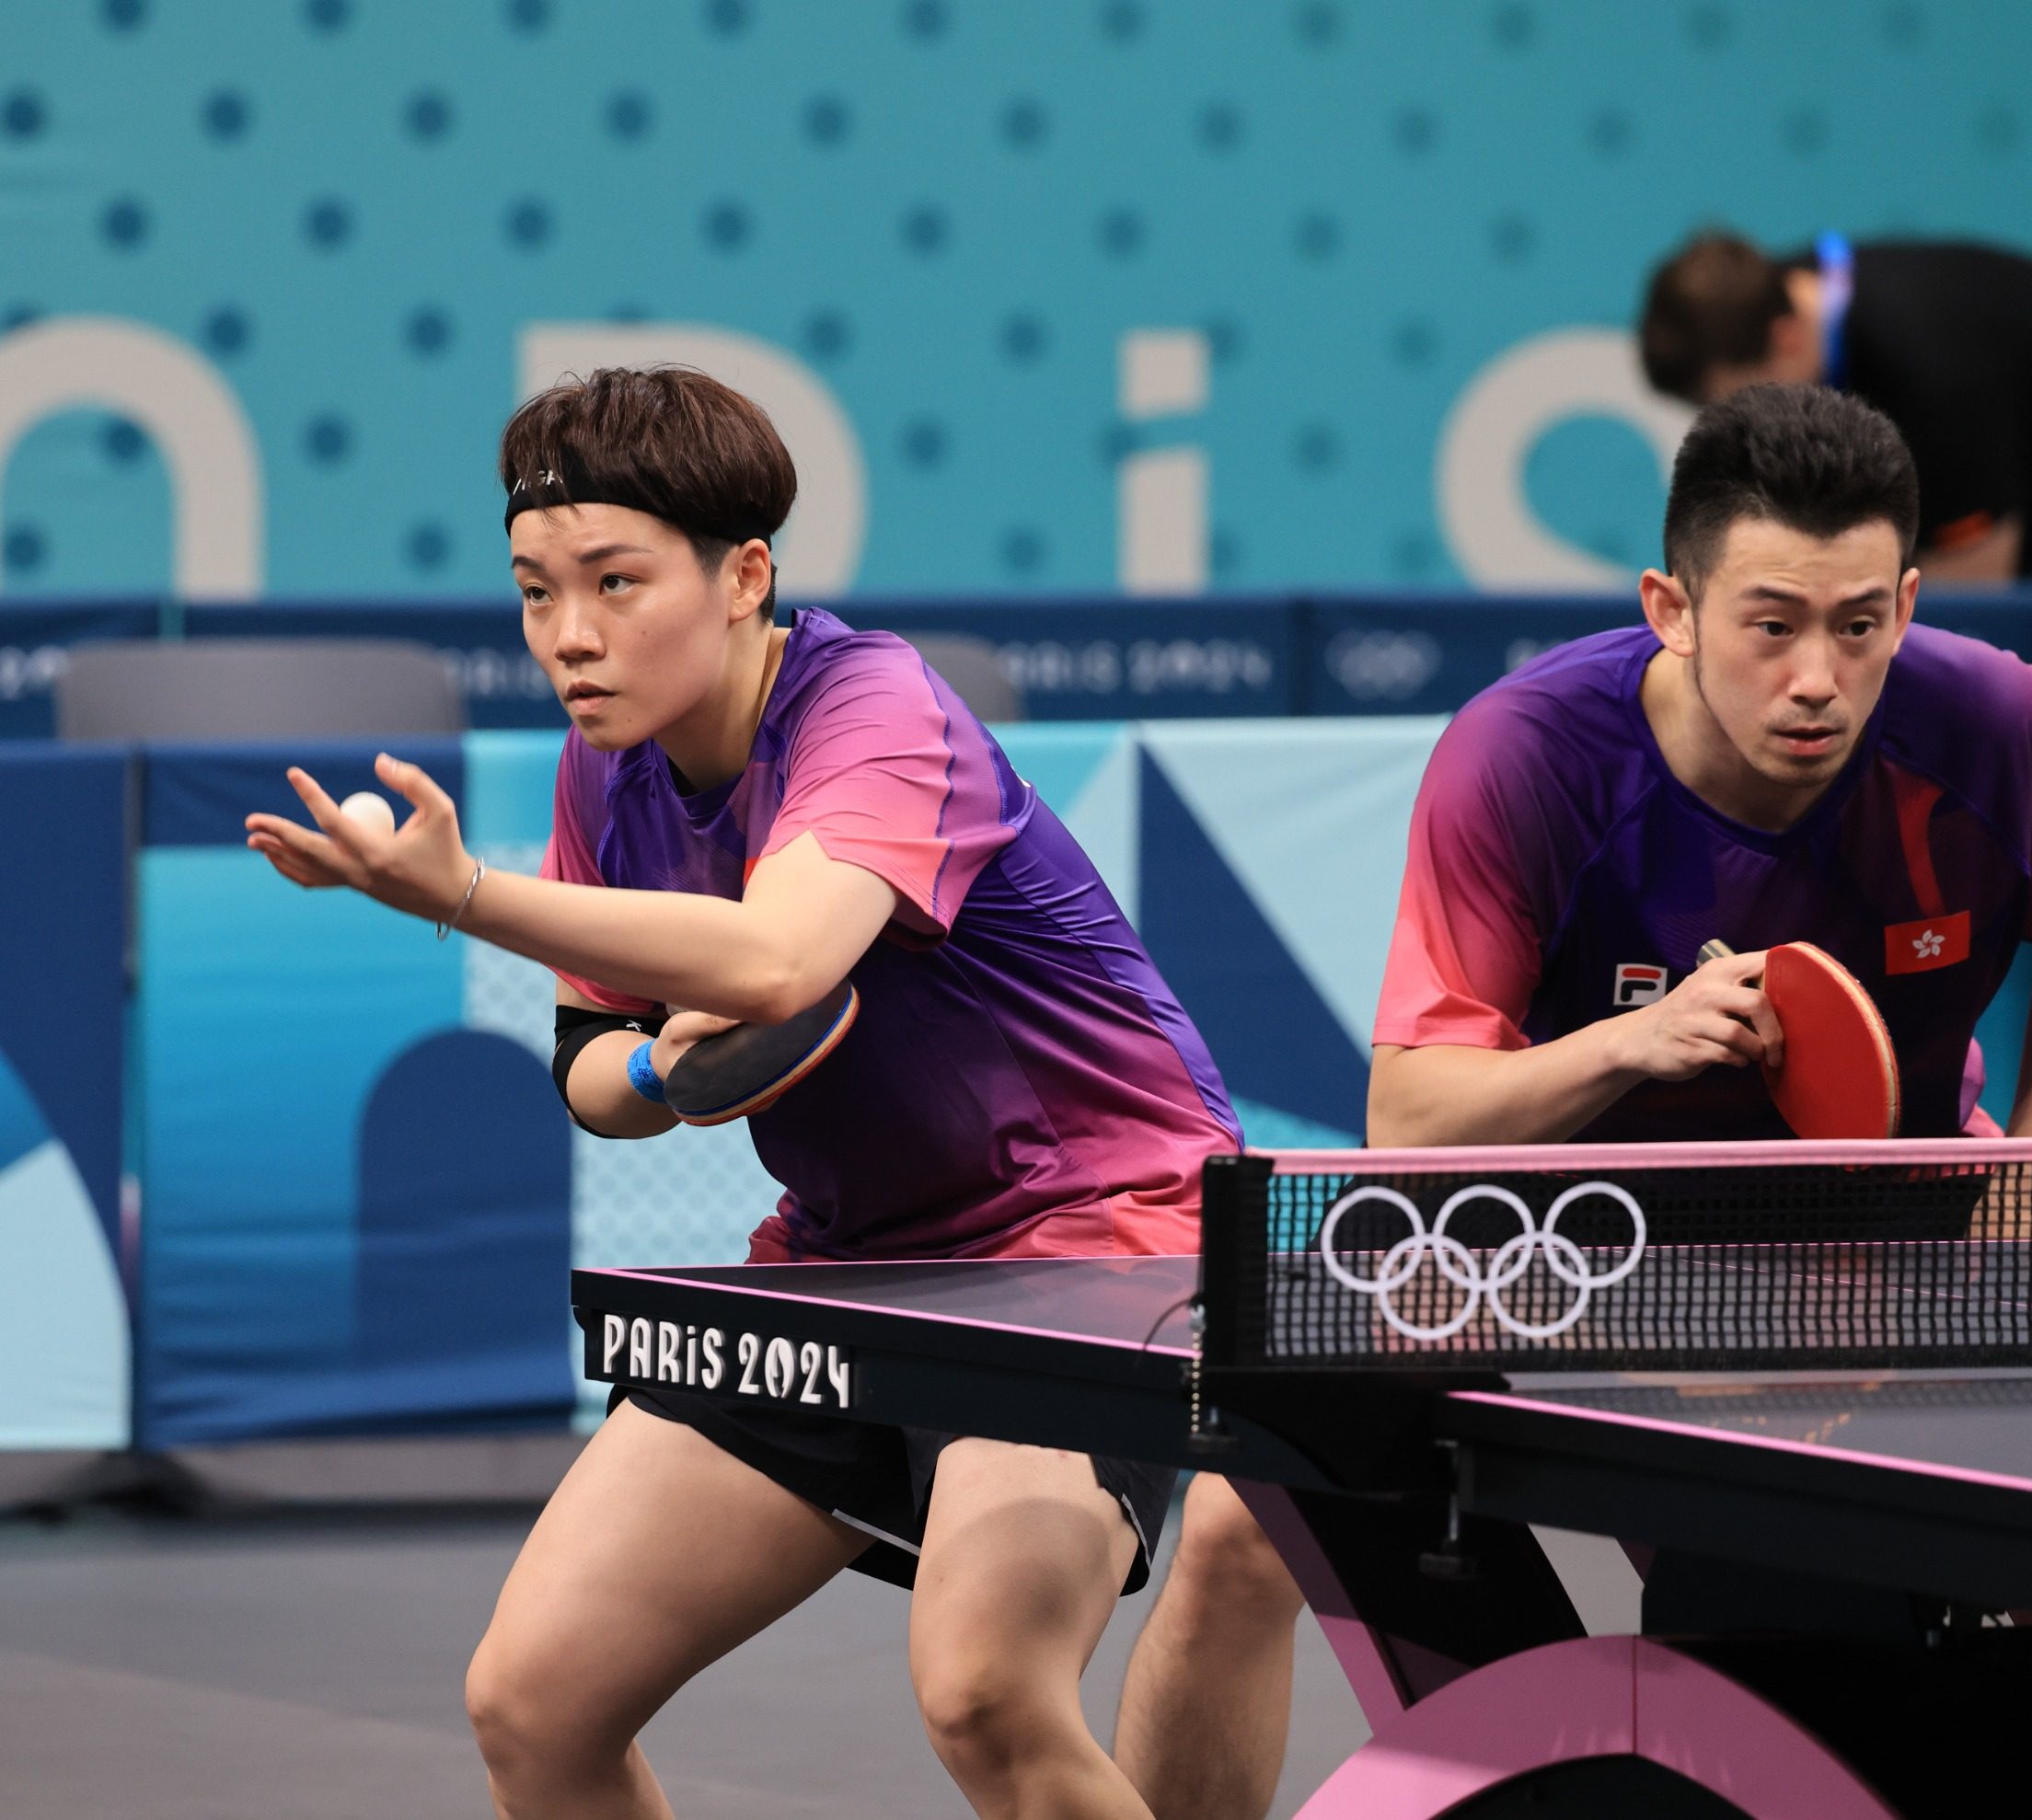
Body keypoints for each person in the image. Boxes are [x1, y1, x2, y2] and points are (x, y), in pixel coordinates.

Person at [242, 365, 1299, 1820]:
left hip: (1092, 1246)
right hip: (852, 1257)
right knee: (533, 1701)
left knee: (988, 1689)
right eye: (537, 591)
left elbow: (781, 952)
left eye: (616, 582)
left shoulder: (873, 704)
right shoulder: (602, 768)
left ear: (745, 575)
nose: (571, 636)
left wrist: (467, 894)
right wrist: (662, 1069)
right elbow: (592, 1077)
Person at [1366, 382, 2032, 1150]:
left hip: (1899, 1215)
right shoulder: (1525, 756)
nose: (1817, 681)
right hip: (1595, 1221)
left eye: (1858, 626)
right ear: (1673, 612)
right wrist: (1631, 1041)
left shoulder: (1999, 724)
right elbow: (1405, 1126)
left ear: (1906, 608)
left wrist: (2028, 1171)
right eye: (1773, 626)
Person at [1637, 231, 2032, 581]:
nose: (1744, 423)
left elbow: (1973, 602)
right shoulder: (1783, 289)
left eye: (1741, 395)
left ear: (1787, 338)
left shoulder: (1930, 365)